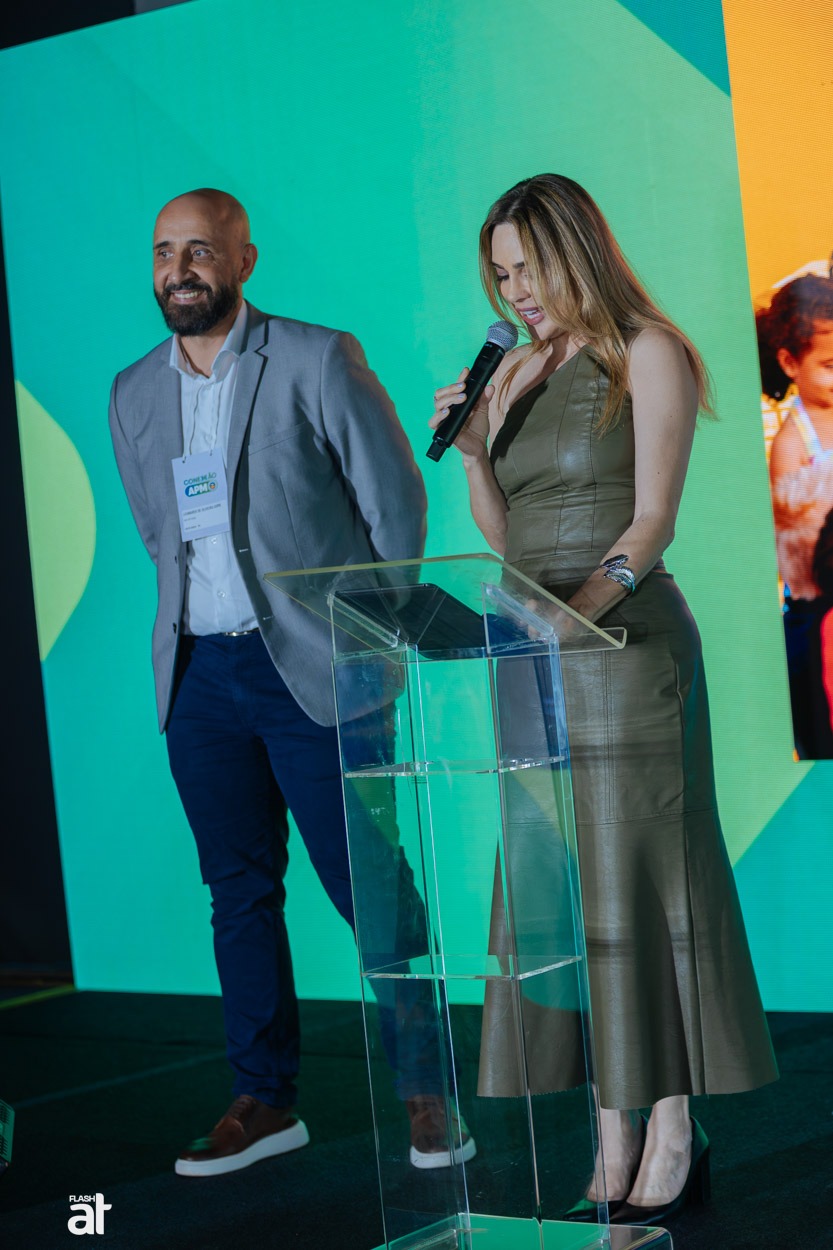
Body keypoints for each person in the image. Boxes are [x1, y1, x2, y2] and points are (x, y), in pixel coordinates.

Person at [429, 174, 778, 1225]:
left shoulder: (647, 351)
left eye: (526, 267)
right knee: (566, 896)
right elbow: (508, 536)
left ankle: (670, 1123)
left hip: (623, 648)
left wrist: (574, 614)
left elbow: (651, 521)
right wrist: (474, 456)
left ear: (574, 251)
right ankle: (610, 1127)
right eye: (498, 274)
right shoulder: (510, 370)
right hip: (533, 656)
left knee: (642, 887)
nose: (514, 291)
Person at [110, 188, 473, 1177]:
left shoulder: (315, 357)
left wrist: (372, 635)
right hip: (200, 676)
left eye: (199, 250)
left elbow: (393, 502)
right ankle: (264, 1099)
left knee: (370, 886)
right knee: (237, 893)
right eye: (164, 252)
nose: (179, 269)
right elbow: (158, 532)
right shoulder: (132, 391)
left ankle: (428, 1091)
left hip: (319, 668)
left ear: (244, 258)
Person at [758, 275, 833, 758]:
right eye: (830, 366)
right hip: (815, 608)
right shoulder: (792, 445)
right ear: (789, 363)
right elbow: (800, 554)